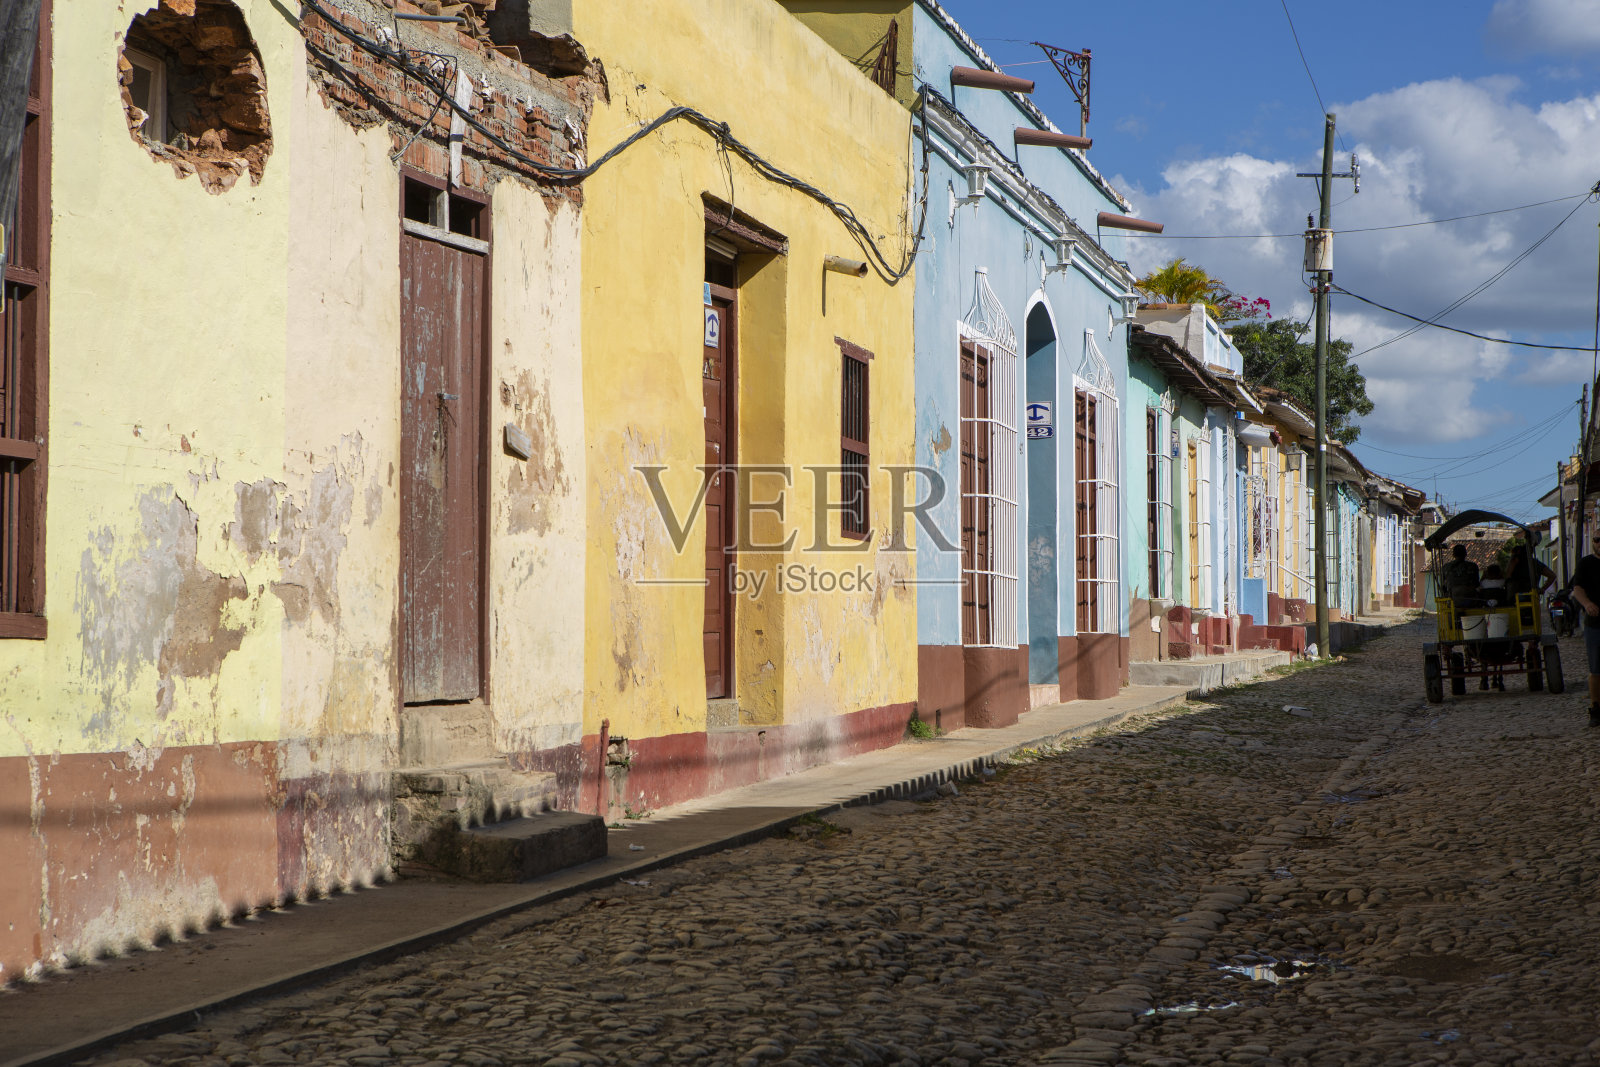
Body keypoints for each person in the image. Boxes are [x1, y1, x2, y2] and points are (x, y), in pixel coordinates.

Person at [1568, 532, 1600, 727]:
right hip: (1595, 623)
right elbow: (1578, 589)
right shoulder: (1586, 564)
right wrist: (1587, 604)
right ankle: (1596, 708)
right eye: (1597, 539)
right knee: (1596, 668)